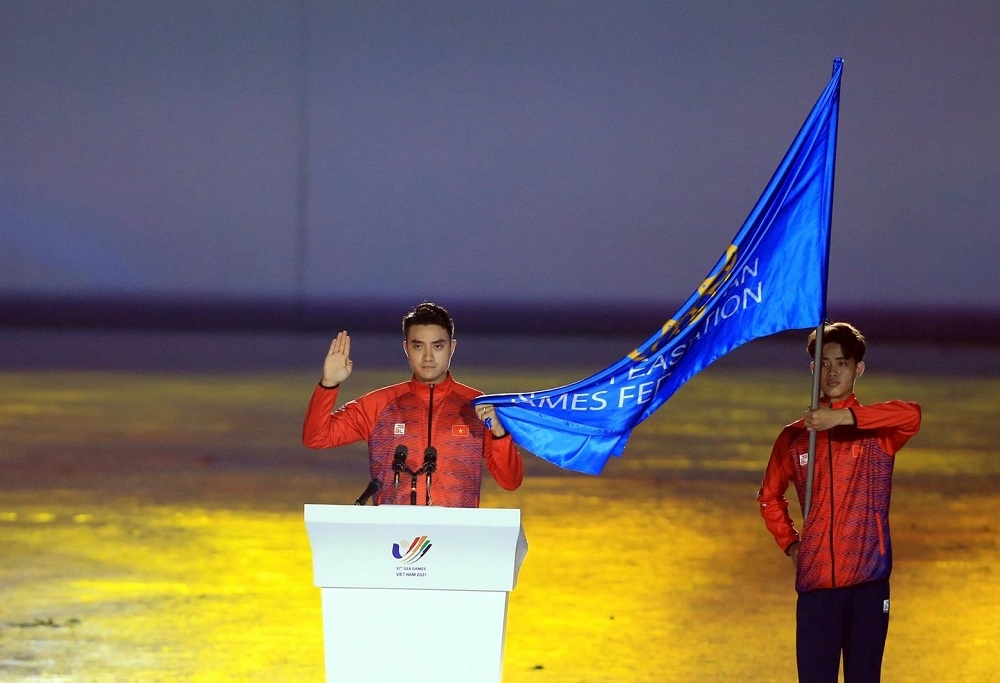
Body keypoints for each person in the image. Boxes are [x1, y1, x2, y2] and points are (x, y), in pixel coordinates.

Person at [756, 322, 922, 683]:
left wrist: (842, 417)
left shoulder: (877, 431)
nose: (833, 371)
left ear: (857, 369)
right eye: (824, 362)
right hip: (817, 586)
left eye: (842, 363)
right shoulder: (796, 437)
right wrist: (792, 545)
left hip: (868, 583)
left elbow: (913, 414)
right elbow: (769, 498)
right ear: (814, 368)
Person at [302, 301, 523, 508]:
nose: (428, 357)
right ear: (406, 348)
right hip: (392, 543)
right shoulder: (379, 404)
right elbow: (317, 437)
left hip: (455, 541)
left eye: (437, 346)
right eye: (418, 347)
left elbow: (510, 481)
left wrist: (499, 434)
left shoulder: (477, 407)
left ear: (452, 348)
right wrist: (328, 384)